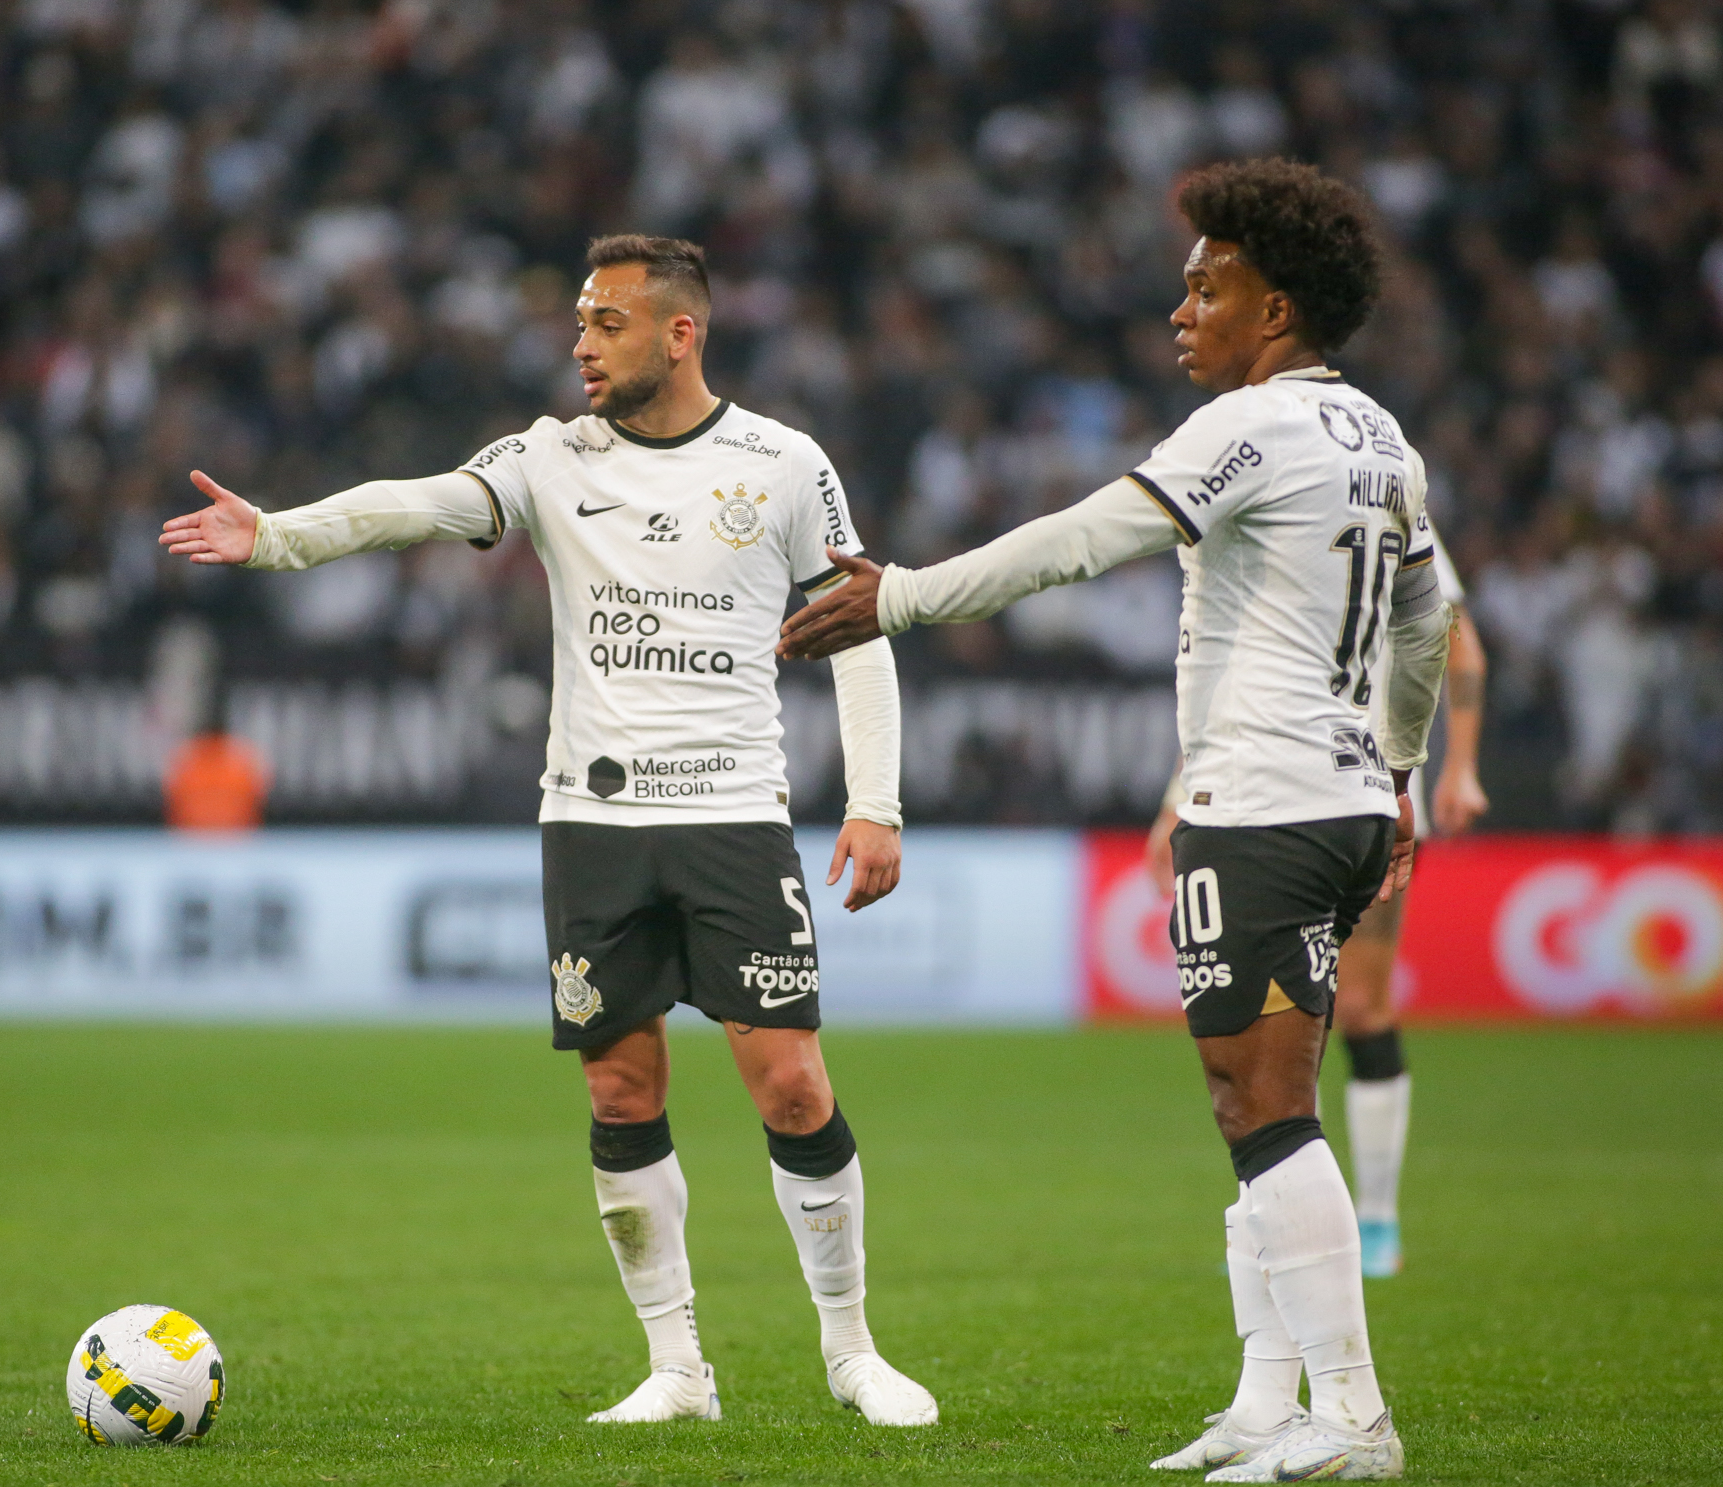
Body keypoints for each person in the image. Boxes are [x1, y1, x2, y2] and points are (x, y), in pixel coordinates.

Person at [160, 235, 937, 1428]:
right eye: (578, 322)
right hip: (590, 819)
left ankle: (850, 1351)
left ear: (681, 332)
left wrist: (874, 800)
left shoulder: (782, 464)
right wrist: (278, 534)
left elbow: (861, 625)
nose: (581, 342)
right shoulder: (546, 456)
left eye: (608, 322)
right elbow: (418, 504)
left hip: (732, 813)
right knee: (621, 1091)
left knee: (787, 1084)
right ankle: (678, 1369)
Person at [778, 160, 1450, 1480]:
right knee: (1266, 1099)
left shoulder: (1244, 429)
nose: (1179, 309)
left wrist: (902, 595)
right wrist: (1404, 770)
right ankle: (1268, 1401)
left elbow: (1084, 540)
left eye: (1209, 286)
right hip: (1334, 796)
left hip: (1269, 802)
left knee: (1258, 1101)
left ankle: (1356, 1416)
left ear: (1279, 306)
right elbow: (1425, 623)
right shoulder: (1382, 439)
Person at [1145, 546, 1488, 1281]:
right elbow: (1231, 671)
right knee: (1282, 1027)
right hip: (1264, 797)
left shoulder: (1389, 494)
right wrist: (1180, 795)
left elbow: (1454, 639)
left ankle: (1377, 1216)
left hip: (1368, 792)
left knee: (1359, 1007)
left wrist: (1459, 762)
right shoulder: (1267, 512)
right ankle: (1287, 1219)